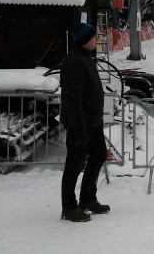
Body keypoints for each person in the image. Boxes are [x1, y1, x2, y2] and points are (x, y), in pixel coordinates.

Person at [60, 22, 110, 222]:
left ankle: (88, 198)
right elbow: (72, 99)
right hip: (79, 124)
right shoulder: (75, 62)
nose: (96, 39)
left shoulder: (86, 58)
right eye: (93, 37)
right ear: (83, 41)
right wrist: (79, 128)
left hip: (92, 122)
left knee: (98, 155)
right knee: (74, 164)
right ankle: (69, 207)